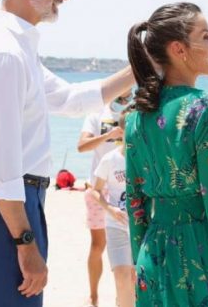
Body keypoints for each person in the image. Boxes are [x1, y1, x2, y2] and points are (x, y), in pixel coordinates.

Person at [0, 0, 135, 307]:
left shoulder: (18, 46)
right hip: (0, 208)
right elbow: (0, 167)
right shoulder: (4, 53)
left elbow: (69, 98)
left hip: (8, 204)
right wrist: (25, 242)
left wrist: (140, 68)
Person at [124, 2, 208, 306]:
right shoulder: (207, 109)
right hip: (203, 257)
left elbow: (134, 200)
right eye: (205, 37)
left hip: (153, 258)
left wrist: (140, 261)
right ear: (179, 49)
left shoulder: (136, 117)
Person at [76, 90, 132, 307]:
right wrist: (109, 135)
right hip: (99, 187)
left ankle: (123, 296)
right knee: (98, 245)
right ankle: (93, 294)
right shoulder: (96, 115)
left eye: (129, 94)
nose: (126, 97)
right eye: (123, 92)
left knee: (129, 263)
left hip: (126, 186)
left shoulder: (131, 114)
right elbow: (81, 147)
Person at [90, 107, 135, 307]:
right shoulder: (110, 159)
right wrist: (110, 209)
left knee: (138, 280)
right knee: (122, 277)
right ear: (122, 130)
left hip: (143, 227)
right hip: (116, 226)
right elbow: (95, 190)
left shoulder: (148, 157)